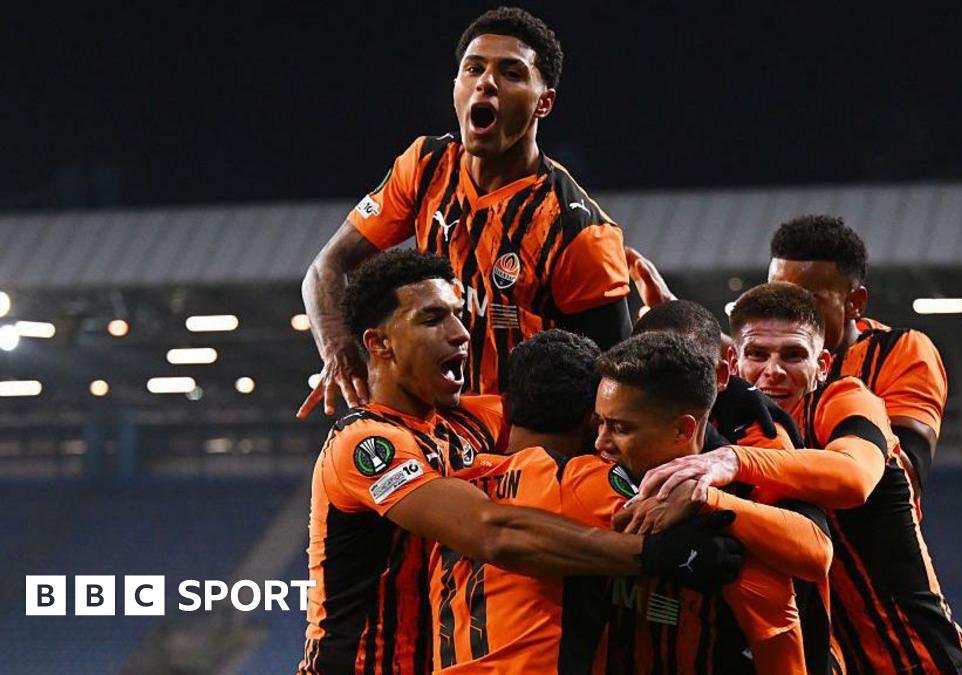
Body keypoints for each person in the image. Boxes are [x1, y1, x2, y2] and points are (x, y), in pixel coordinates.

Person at [298, 250, 739, 675]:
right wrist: (655, 554)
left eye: (457, 314)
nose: (460, 332)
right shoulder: (365, 443)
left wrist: (734, 396)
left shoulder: (471, 419)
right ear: (379, 343)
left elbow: (581, 397)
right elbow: (492, 532)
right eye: (433, 319)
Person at [432, 331, 831, 673]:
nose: (601, 442)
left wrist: (709, 499)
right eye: (599, 422)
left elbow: (812, 561)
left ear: (682, 429)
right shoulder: (582, 482)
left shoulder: (736, 514)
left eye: (620, 428)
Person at [300, 7, 631, 417]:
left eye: (511, 73)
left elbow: (613, 383)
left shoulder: (578, 229)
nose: (486, 82)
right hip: (433, 424)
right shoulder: (425, 166)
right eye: (473, 69)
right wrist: (340, 349)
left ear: (544, 103)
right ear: (456, 86)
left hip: (517, 439)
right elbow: (326, 267)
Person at [641, 283, 962, 675]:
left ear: (822, 365)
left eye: (793, 355)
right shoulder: (738, 426)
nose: (773, 371)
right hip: (838, 659)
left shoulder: (845, 401)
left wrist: (734, 460)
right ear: (733, 362)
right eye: (757, 354)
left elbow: (854, 479)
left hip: (920, 658)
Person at [768, 215, 948, 497]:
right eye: (776, 295)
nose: (785, 311)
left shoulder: (900, 351)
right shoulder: (755, 359)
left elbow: (903, 478)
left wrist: (761, 462)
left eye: (807, 300)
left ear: (855, 302)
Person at [631, 299, 800, 448]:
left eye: (685, 370)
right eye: (651, 369)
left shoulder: (763, 441)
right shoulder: (617, 425)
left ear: (720, 376)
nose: (665, 386)